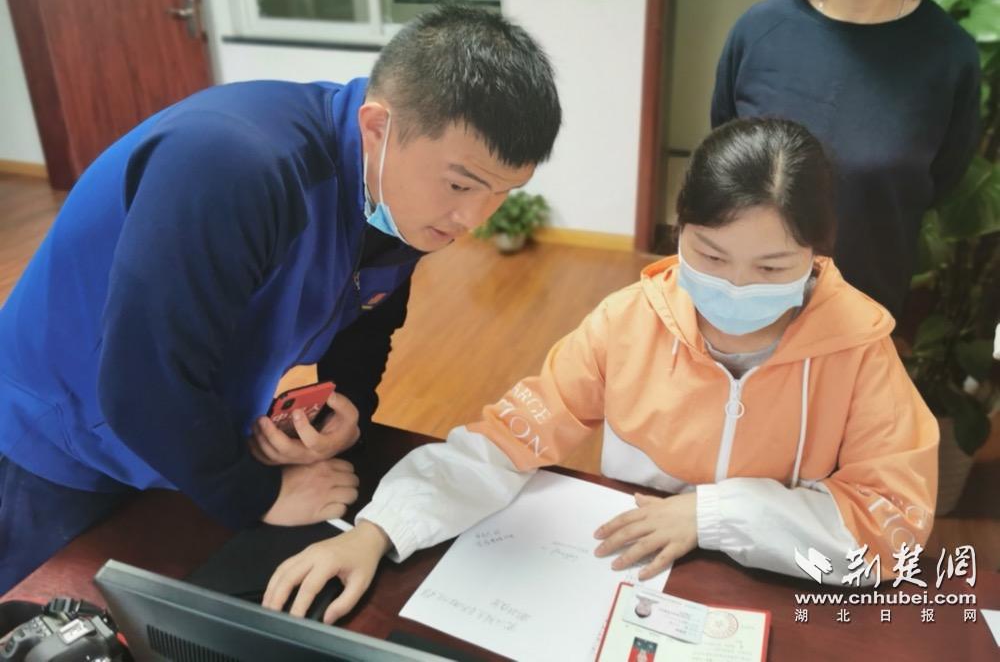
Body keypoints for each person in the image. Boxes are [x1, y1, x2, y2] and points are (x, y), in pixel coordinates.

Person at [262, 118, 938, 624]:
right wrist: (380, 530)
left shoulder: (859, 349)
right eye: (709, 255)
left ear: (818, 256)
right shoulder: (628, 322)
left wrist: (715, 515)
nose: (736, 286)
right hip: (630, 573)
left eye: (771, 267)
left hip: (778, 589)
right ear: (677, 229)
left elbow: (892, 525)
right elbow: (507, 439)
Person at [0, 5, 562, 592]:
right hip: (62, 433)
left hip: (186, 428)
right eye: (461, 184)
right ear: (377, 127)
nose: (473, 218)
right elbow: (142, 384)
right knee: (42, 614)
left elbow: (370, 314)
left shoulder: (398, 192)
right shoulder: (234, 167)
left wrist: (349, 404)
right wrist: (259, 495)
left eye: (502, 192)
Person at [711, 0, 980, 318]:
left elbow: (940, 178)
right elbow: (724, 152)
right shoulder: (758, 32)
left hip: (865, 311)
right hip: (743, 303)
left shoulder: (949, 54)